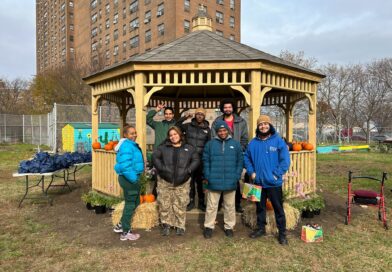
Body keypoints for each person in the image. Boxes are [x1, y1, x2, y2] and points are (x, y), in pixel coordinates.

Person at [244, 115, 290, 245]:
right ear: (258, 127)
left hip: (273, 183)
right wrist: (251, 172)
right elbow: (246, 158)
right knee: (260, 207)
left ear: (270, 126)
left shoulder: (278, 141)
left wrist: (277, 174)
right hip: (258, 182)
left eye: (265, 124)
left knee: (278, 208)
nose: (263, 126)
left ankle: (282, 233)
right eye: (260, 124)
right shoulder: (253, 143)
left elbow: (285, 160)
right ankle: (260, 228)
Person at [152, 126, 200, 236]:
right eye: (171, 135)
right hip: (165, 180)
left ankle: (180, 225)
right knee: (165, 204)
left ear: (180, 134)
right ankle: (166, 224)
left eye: (175, 134)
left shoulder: (188, 148)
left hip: (182, 181)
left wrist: (188, 170)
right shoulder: (163, 147)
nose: (173, 137)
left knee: (181, 204)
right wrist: (162, 169)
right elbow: (155, 157)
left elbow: (196, 159)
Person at [202, 120, 243, 239]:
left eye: (224, 130)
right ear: (217, 132)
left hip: (231, 180)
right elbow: (205, 161)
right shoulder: (210, 144)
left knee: (230, 206)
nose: (222, 132)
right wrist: (208, 175)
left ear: (228, 130)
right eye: (220, 131)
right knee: (211, 206)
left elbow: (240, 161)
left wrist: (236, 175)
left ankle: (229, 227)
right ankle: (209, 227)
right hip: (213, 180)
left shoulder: (235, 144)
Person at [211, 98, 248, 213]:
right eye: (225, 107)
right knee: (219, 178)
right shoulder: (217, 121)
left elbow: (244, 139)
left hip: (234, 155)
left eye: (229, 107)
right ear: (222, 108)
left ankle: (237, 204)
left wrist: (238, 149)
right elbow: (213, 138)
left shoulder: (241, 121)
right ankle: (219, 204)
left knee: (234, 179)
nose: (227, 109)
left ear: (233, 108)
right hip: (220, 155)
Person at [176, 107, 211, 211]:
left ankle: (201, 202)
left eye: (202, 114)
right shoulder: (188, 126)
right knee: (190, 181)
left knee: (200, 182)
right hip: (189, 159)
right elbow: (176, 126)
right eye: (198, 114)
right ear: (195, 115)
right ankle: (191, 201)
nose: (200, 115)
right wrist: (184, 117)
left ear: (204, 116)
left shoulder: (207, 129)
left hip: (201, 160)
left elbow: (209, 145)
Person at [113, 125, 144, 241]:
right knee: (130, 203)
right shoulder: (127, 146)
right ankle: (125, 232)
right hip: (129, 178)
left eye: (135, 133)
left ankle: (121, 225)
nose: (134, 135)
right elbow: (125, 166)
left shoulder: (130, 145)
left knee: (135, 201)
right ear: (125, 135)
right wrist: (134, 179)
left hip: (131, 177)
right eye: (131, 133)